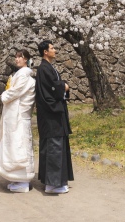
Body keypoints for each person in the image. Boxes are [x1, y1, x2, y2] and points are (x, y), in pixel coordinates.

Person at [0, 49, 36, 193]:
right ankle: (18, 179)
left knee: (19, 145)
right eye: (16, 57)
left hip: (19, 116)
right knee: (17, 145)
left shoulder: (23, 75)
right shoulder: (22, 74)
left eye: (20, 57)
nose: (17, 59)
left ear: (26, 59)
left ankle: (22, 181)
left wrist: (4, 95)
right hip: (18, 116)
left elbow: (14, 92)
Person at [35, 40, 73, 194]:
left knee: (56, 146)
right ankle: (53, 184)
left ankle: (55, 182)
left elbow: (54, 85)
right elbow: (50, 89)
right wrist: (63, 86)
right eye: (52, 48)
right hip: (51, 115)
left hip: (54, 113)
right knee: (54, 147)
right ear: (45, 51)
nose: (55, 50)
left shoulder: (48, 68)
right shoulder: (44, 69)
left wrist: (61, 86)